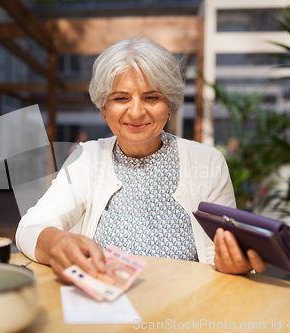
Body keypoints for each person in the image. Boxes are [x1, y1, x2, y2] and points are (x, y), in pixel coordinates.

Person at [16, 38, 265, 280]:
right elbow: (30, 228)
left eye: (152, 97)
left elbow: (226, 256)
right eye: (120, 98)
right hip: (109, 309)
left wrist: (234, 264)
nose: (136, 111)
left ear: (170, 106)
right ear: (104, 109)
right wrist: (58, 241)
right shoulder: (88, 158)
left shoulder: (208, 162)